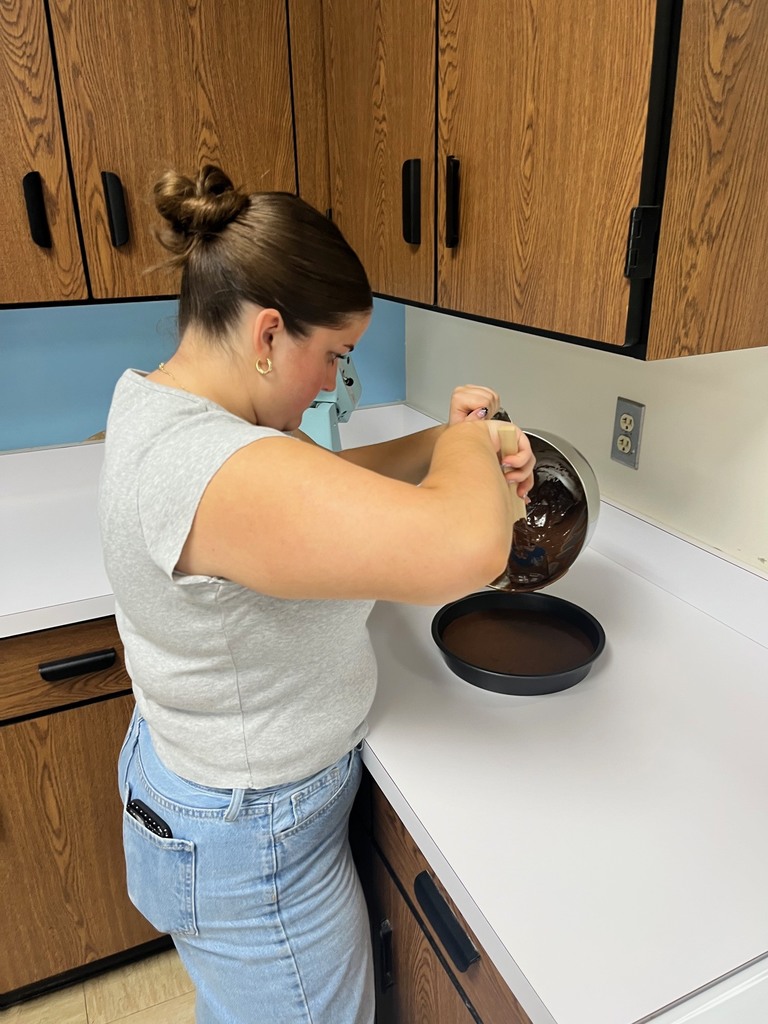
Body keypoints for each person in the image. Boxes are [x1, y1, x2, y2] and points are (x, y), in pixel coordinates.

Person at [98, 165, 535, 1024]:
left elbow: (317, 486)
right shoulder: (211, 464)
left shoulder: (165, 409)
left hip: (214, 805)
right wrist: (473, 449)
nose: (333, 384)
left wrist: (443, 445)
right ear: (267, 334)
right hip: (251, 843)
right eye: (333, 356)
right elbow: (471, 546)